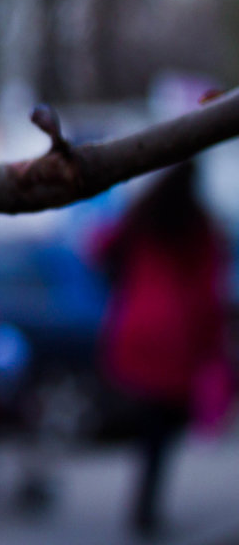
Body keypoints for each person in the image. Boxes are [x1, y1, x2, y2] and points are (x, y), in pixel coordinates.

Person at [92, 162, 233, 538]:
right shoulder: (198, 226)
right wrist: (213, 345)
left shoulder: (143, 216)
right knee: (163, 428)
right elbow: (208, 294)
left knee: (152, 424)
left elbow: (99, 246)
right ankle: (145, 509)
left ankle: (143, 506)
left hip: (135, 327)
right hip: (176, 337)